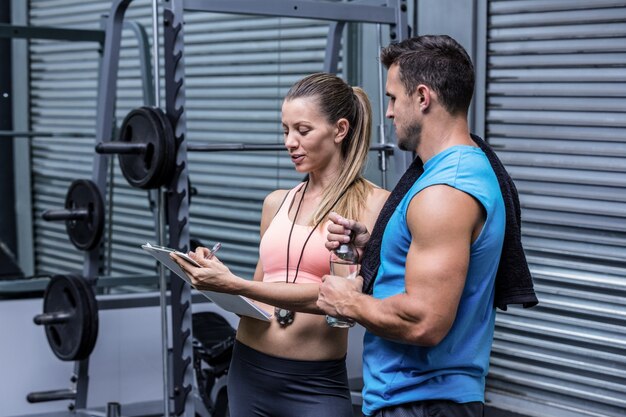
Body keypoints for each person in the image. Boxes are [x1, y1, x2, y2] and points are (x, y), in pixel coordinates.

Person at [171, 72, 389, 417]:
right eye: (285, 130)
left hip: (315, 382)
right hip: (248, 370)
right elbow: (260, 291)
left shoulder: (374, 205)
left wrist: (233, 284)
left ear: (340, 130)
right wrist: (218, 275)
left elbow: (345, 301)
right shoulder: (276, 202)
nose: (290, 141)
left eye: (303, 130)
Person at [317, 35, 507, 417]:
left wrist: (349, 302)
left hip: (422, 401)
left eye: (392, 98)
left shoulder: (444, 191)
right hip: (420, 398)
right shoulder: (455, 171)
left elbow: (425, 323)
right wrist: (373, 249)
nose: (388, 112)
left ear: (422, 98)